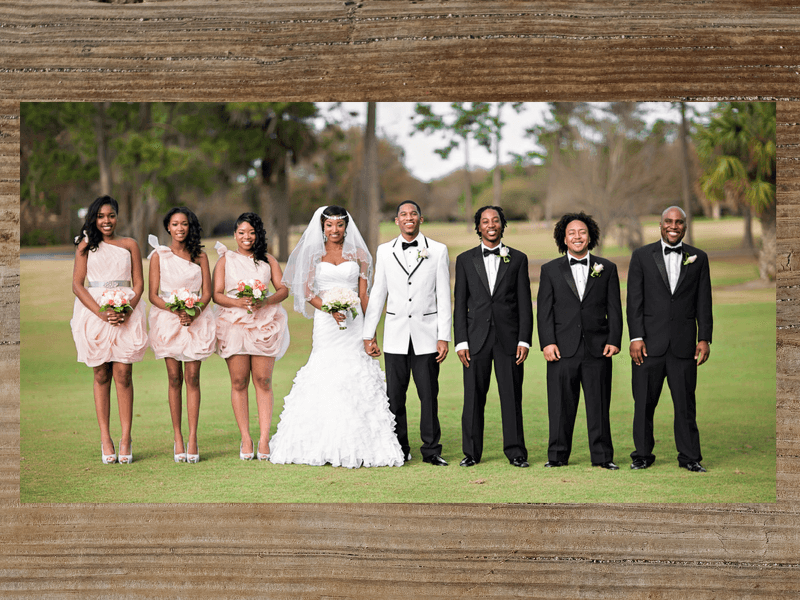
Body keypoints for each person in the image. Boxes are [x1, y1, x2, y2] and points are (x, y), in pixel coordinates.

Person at [270, 206, 404, 468]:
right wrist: (329, 309)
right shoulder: (313, 255)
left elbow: (364, 295)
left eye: (339, 225)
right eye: (329, 225)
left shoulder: (360, 255)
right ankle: (318, 442)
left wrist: (370, 333)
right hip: (325, 324)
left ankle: (363, 444)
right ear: (322, 227)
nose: (334, 230)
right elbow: (308, 292)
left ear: (346, 226)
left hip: (355, 324)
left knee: (356, 373)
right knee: (325, 371)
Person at [362, 200, 452, 466]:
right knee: (395, 397)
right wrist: (369, 334)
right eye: (403, 214)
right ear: (397, 221)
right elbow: (378, 293)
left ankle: (432, 450)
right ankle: (400, 447)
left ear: (420, 219)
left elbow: (445, 296)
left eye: (413, 213)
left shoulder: (438, 250)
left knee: (428, 395)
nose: (408, 217)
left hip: (427, 335)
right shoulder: (384, 251)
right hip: (395, 335)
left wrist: (443, 336)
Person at [627, 206, 713, 472]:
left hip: (683, 345)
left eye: (678, 222)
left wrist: (704, 337)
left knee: (685, 404)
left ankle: (690, 457)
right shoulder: (641, 256)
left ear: (685, 226)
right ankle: (642, 455)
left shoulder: (698, 257)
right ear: (660, 224)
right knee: (643, 403)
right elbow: (634, 301)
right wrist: (636, 337)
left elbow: (703, 301)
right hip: (648, 345)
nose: (673, 226)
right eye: (668, 221)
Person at [536, 212, 622, 470]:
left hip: (598, 348)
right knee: (561, 406)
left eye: (582, 232)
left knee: (598, 404)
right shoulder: (550, 270)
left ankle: (603, 456)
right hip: (561, 349)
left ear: (590, 236)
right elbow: (544, 311)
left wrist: (614, 339)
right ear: (564, 238)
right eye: (572, 232)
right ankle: (557, 456)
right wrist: (547, 342)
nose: (577, 236)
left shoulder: (606, 268)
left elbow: (614, 308)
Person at [453, 206, 533, 468]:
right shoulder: (465, 260)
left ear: (502, 225)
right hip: (475, 340)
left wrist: (524, 339)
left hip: (508, 340)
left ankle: (516, 452)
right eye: (485, 221)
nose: (490, 225)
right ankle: (472, 453)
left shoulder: (518, 259)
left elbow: (524, 303)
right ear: (478, 227)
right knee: (473, 398)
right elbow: (460, 304)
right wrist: (461, 341)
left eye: (495, 220)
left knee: (511, 396)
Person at [71, 195, 148, 465]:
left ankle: (126, 437)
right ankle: (106, 438)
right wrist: (101, 312)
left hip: (126, 311)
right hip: (95, 313)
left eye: (111, 215)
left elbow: (139, 284)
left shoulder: (130, 245)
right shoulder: (85, 246)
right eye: (101, 216)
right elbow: (78, 284)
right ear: (94, 218)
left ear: (117, 217)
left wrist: (127, 308)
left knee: (124, 373)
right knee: (101, 373)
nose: (107, 221)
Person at [213, 213, 290, 461]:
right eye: (242, 232)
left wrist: (264, 300)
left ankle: (264, 439)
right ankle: (246, 438)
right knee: (238, 381)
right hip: (233, 323)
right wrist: (238, 301)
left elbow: (283, 289)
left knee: (263, 380)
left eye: (252, 232)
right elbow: (216, 294)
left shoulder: (268, 260)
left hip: (264, 322)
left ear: (258, 235)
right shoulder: (226, 259)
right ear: (235, 235)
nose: (247, 237)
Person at [147, 207, 215, 463]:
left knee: (193, 377)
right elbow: (153, 295)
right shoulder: (159, 256)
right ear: (168, 227)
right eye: (175, 224)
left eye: (184, 224)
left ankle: (194, 437)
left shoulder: (200, 256)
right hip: (168, 320)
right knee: (174, 378)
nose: (180, 228)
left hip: (196, 319)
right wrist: (176, 309)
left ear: (190, 226)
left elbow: (207, 292)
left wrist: (194, 311)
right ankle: (177, 437)